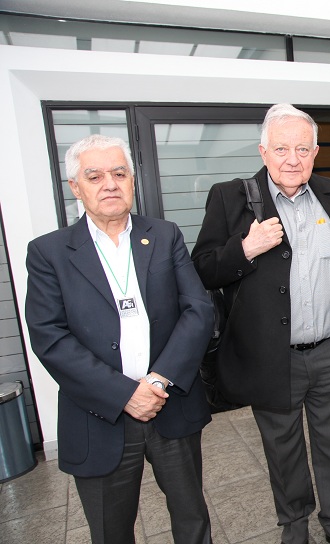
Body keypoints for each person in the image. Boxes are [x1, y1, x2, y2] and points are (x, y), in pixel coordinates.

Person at [192, 104, 330, 544]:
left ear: (314, 152)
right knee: (283, 449)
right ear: (263, 151)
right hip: (271, 357)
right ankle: (295, 529)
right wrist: (246, 248)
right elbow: (202, 269)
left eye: (302, 149)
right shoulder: (229, 197)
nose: (292, 159)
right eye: (281, 149)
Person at [25, 134, 214, 543]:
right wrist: (124, 394)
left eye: (119, 173)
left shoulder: (164, 235)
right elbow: (49, 337)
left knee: (192, 517)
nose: (109, 183)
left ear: (132, 180)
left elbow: (198, 311)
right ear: (76, 188)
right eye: (94, 176)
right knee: (112, 531)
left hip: (169, 404)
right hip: (99, 416)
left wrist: (158, 380)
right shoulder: (49, 252)